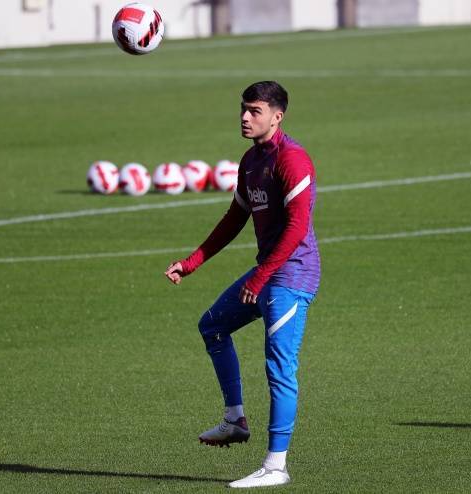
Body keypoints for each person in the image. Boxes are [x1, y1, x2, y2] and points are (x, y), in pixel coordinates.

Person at [164, 81, 320, 488]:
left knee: (279, 367)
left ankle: (276, 466)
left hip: (292, 275)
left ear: (277, 116)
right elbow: (234, 218)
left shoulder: (292, 159)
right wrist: (192, 262)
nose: (245, 117)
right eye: (243, 109)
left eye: (254, 111)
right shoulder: (251, 160)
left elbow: (297, 228)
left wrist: (261, 275)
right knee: (212, 325)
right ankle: (235, 420)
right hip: (267, 274)